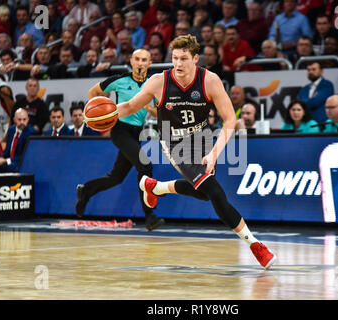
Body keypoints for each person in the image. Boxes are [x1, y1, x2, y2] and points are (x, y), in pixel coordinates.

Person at [115, 35, 277, 270]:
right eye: (175, 58)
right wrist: (106, 113)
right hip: (174, 142)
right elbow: (129, 106)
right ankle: (256, 246)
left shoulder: (210, 80)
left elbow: (230, 119)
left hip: (203, 139)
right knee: (215, 193)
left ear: (196, 59)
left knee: (203, 193)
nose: (178, 64)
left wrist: (213, 154)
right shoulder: (159, 81)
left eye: (184, 59)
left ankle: (156, 187)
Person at [75, 48, 164, 231]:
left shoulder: (153, 84)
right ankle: (150, 216)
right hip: (120, 130)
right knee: (145, 165)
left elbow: (159, 112)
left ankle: (86, 190)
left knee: (116, 178)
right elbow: (93, 93)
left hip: (137, 132)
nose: (140, 63)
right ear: (131, 61)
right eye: (137, 59)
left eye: (144, 60)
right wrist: (104, 114)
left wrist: (149, 108)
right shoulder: (120, 80)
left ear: (149, 63)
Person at [0, 108, 36, 172]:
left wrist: (5, 161)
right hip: (9, 162)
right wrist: (0, 158)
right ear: (14, 120)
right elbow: (7, 151)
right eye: (19, 119)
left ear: (28, 119)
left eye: (24, 119)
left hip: (21, 164)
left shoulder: (31, 133)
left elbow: (25, 156)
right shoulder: (11, 130)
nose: (22, 122)